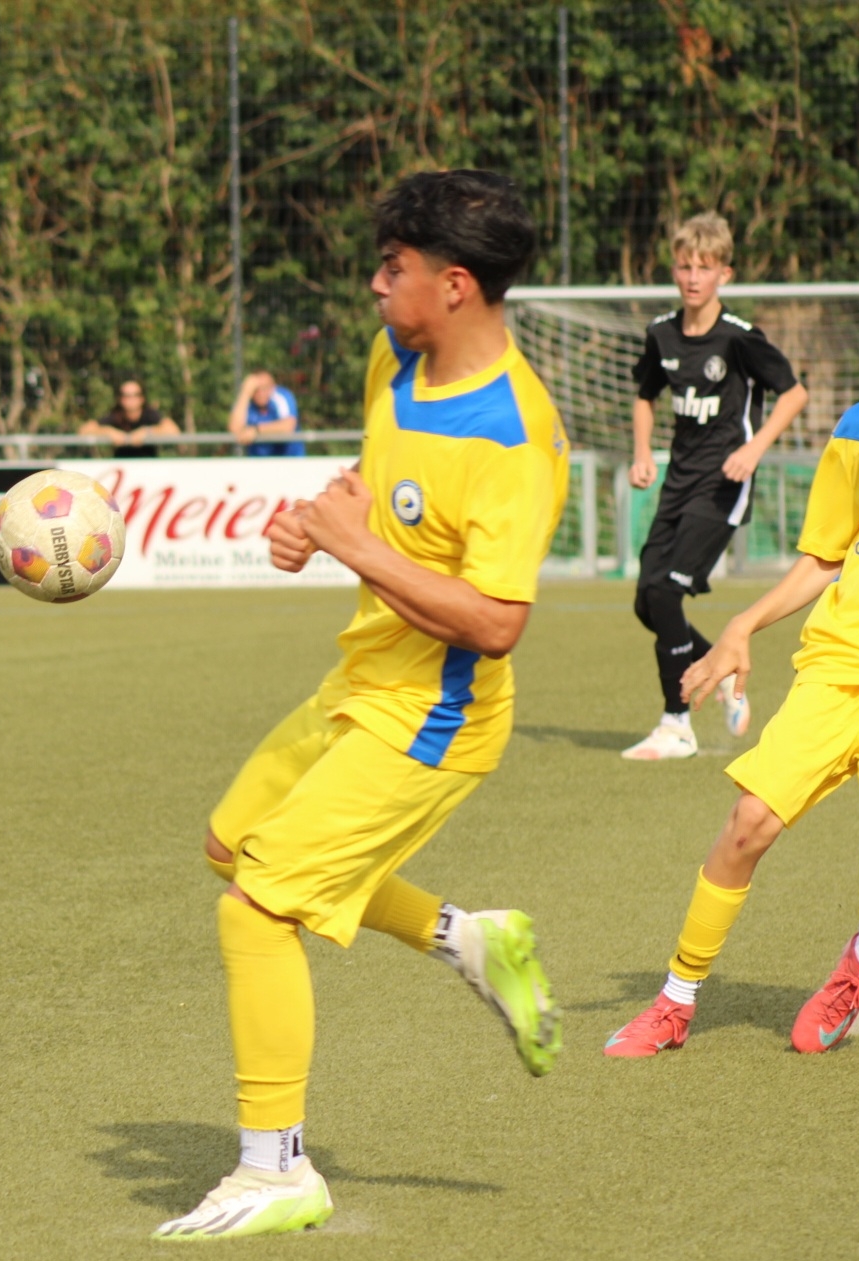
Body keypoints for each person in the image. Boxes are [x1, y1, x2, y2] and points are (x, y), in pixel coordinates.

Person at [154, 170, 566, 1242]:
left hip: (436, 714)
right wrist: (319, 521)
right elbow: (375, 484)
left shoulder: (515, 436)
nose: (376, 285)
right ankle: (467, 940)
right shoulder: (398, 358)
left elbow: (495, 622)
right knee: (229, 845)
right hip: (361, 678)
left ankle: (275, 1168)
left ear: (456, 284)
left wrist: (353, 546)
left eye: (394, 267)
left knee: (258, 908)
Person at [603, 242, 859, 1060]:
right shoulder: (858, 428)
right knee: (747, 822)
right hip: (838, 668)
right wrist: (743, 625)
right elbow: (821, 557)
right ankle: (674, 1002)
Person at [622, 212, 810, 761]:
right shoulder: (661, 333)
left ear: (724, 274)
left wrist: (754, 450)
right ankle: (720, 669)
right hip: (677, 483)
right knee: (647, 602)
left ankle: (676, 724)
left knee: (665, 592)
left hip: (724, 484)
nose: (693, 277)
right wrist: (642, 453)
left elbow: (794, 394)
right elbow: (644, 396)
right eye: (685, 266)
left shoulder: (739, 339)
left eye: (704, 268)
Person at [78, 379, 180, 457]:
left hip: (148, 468)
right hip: (122, 468)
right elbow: (84, 430)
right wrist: (108, 431)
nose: (130, 399)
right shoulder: (116, 415)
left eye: (135, 395)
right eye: (126, 395)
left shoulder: (149, 414)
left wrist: (147, 431)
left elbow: (173, 430)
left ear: (142, 398)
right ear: (120, 399)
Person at [227, 371, 303, 455]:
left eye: (265, 388)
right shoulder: (248, 402)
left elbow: (288, 426)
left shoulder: (281, 397)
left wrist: (256, 430)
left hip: (288, 460)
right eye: (256, 389)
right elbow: (234, 429)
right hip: (257, 461)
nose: (261, 393)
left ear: (273, 387)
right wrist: (245, 393)